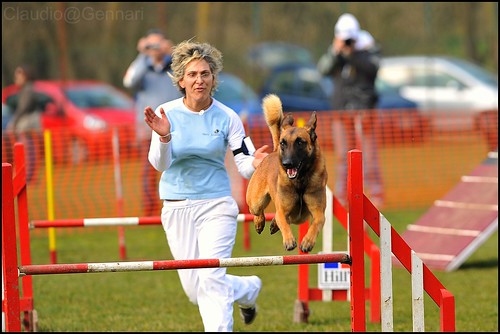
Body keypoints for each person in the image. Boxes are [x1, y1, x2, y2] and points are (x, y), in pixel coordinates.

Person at [143, 39, 270, 332]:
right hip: (176, 208)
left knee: (211, 279)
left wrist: (257, 163)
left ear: (213, 78)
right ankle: (248, 289)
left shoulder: (228, 117)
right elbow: (159, 165)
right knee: (195, 290)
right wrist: (164, 137)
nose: (199, 80)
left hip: (216, 205)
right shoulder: (166, 113)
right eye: (192, 75)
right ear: (181, 80)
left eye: (205, 74)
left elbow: (243, 161)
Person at [317, 13, 384, 208]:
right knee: (342, 157)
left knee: (369, 154)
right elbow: (323, 69)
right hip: (341, 109)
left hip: (364, 109)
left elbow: (373, 69)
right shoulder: (335, 53)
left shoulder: (368, 48)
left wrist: (352, 55)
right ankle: (342, 196)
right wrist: (335, 52)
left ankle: (375, 194)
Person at [123, 28, 182, 216]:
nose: (155, 49)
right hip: (146, 129)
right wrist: (142, 55)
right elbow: (129, 82)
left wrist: (174, 53)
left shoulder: (174, 66)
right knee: (147, 171)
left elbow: (185, 77)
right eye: (151, 45)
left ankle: (177, 203)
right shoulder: (142, 67)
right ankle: (149, 211)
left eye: (158, 44)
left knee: (176, 166)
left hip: (175, 128)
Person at [7, 64, 41, 183]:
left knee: (26, 150)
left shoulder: (27, 90)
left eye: (19, 75)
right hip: (27, 123)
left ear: (26, 76)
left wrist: (14, 122)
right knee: (29, 149)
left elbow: (23, 108)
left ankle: (27, 176)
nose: (16, 78)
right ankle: (28, 176)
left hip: (27, 123)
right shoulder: (28, 89)